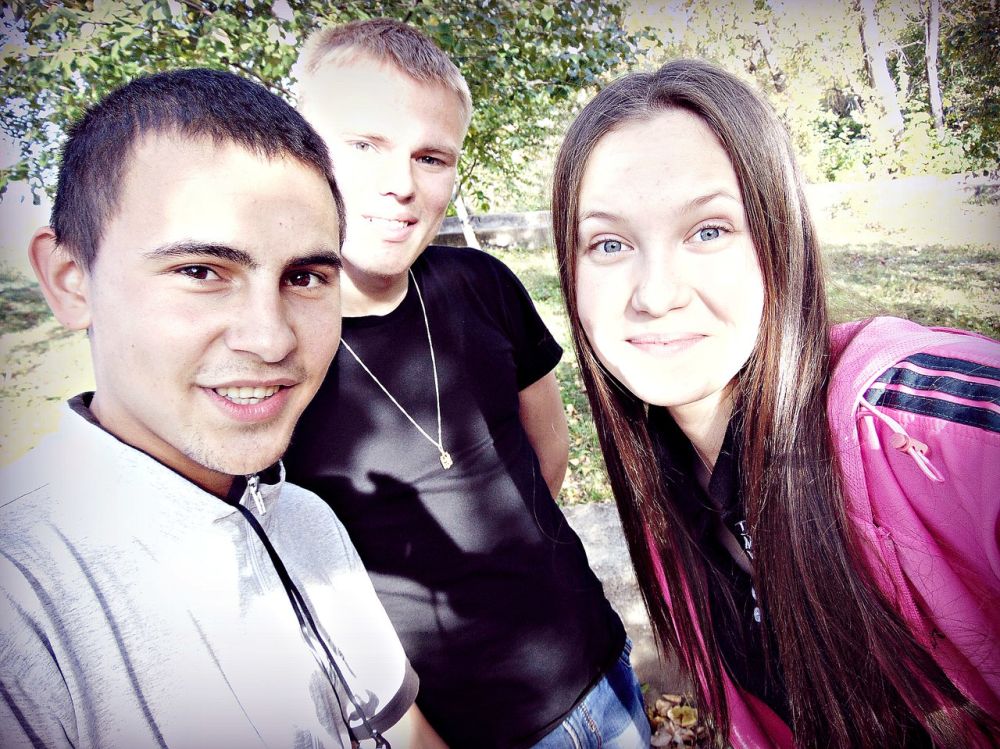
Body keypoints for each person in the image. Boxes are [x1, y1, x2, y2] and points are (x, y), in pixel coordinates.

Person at [550, 58, 1000, 748]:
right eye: (609, 243)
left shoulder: (928, 424)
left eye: (708, 231)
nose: (656, 294)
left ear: (778, 238)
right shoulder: (670, 512)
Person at [0, 68, 445, 749]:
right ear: (70, 280)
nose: (271, 339)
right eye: (201, 271)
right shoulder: (20, 594)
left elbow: (400, 731)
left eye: (304, 277)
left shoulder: (305, 518)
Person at [285, 19, 648, 749]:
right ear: (301, 150)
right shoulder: (275, 352)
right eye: (364, 144)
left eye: (430, 156)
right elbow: (303, 594)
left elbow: (547, 453)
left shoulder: (482, 284)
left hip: (596, 668)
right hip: (462, 727)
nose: (400, 183)